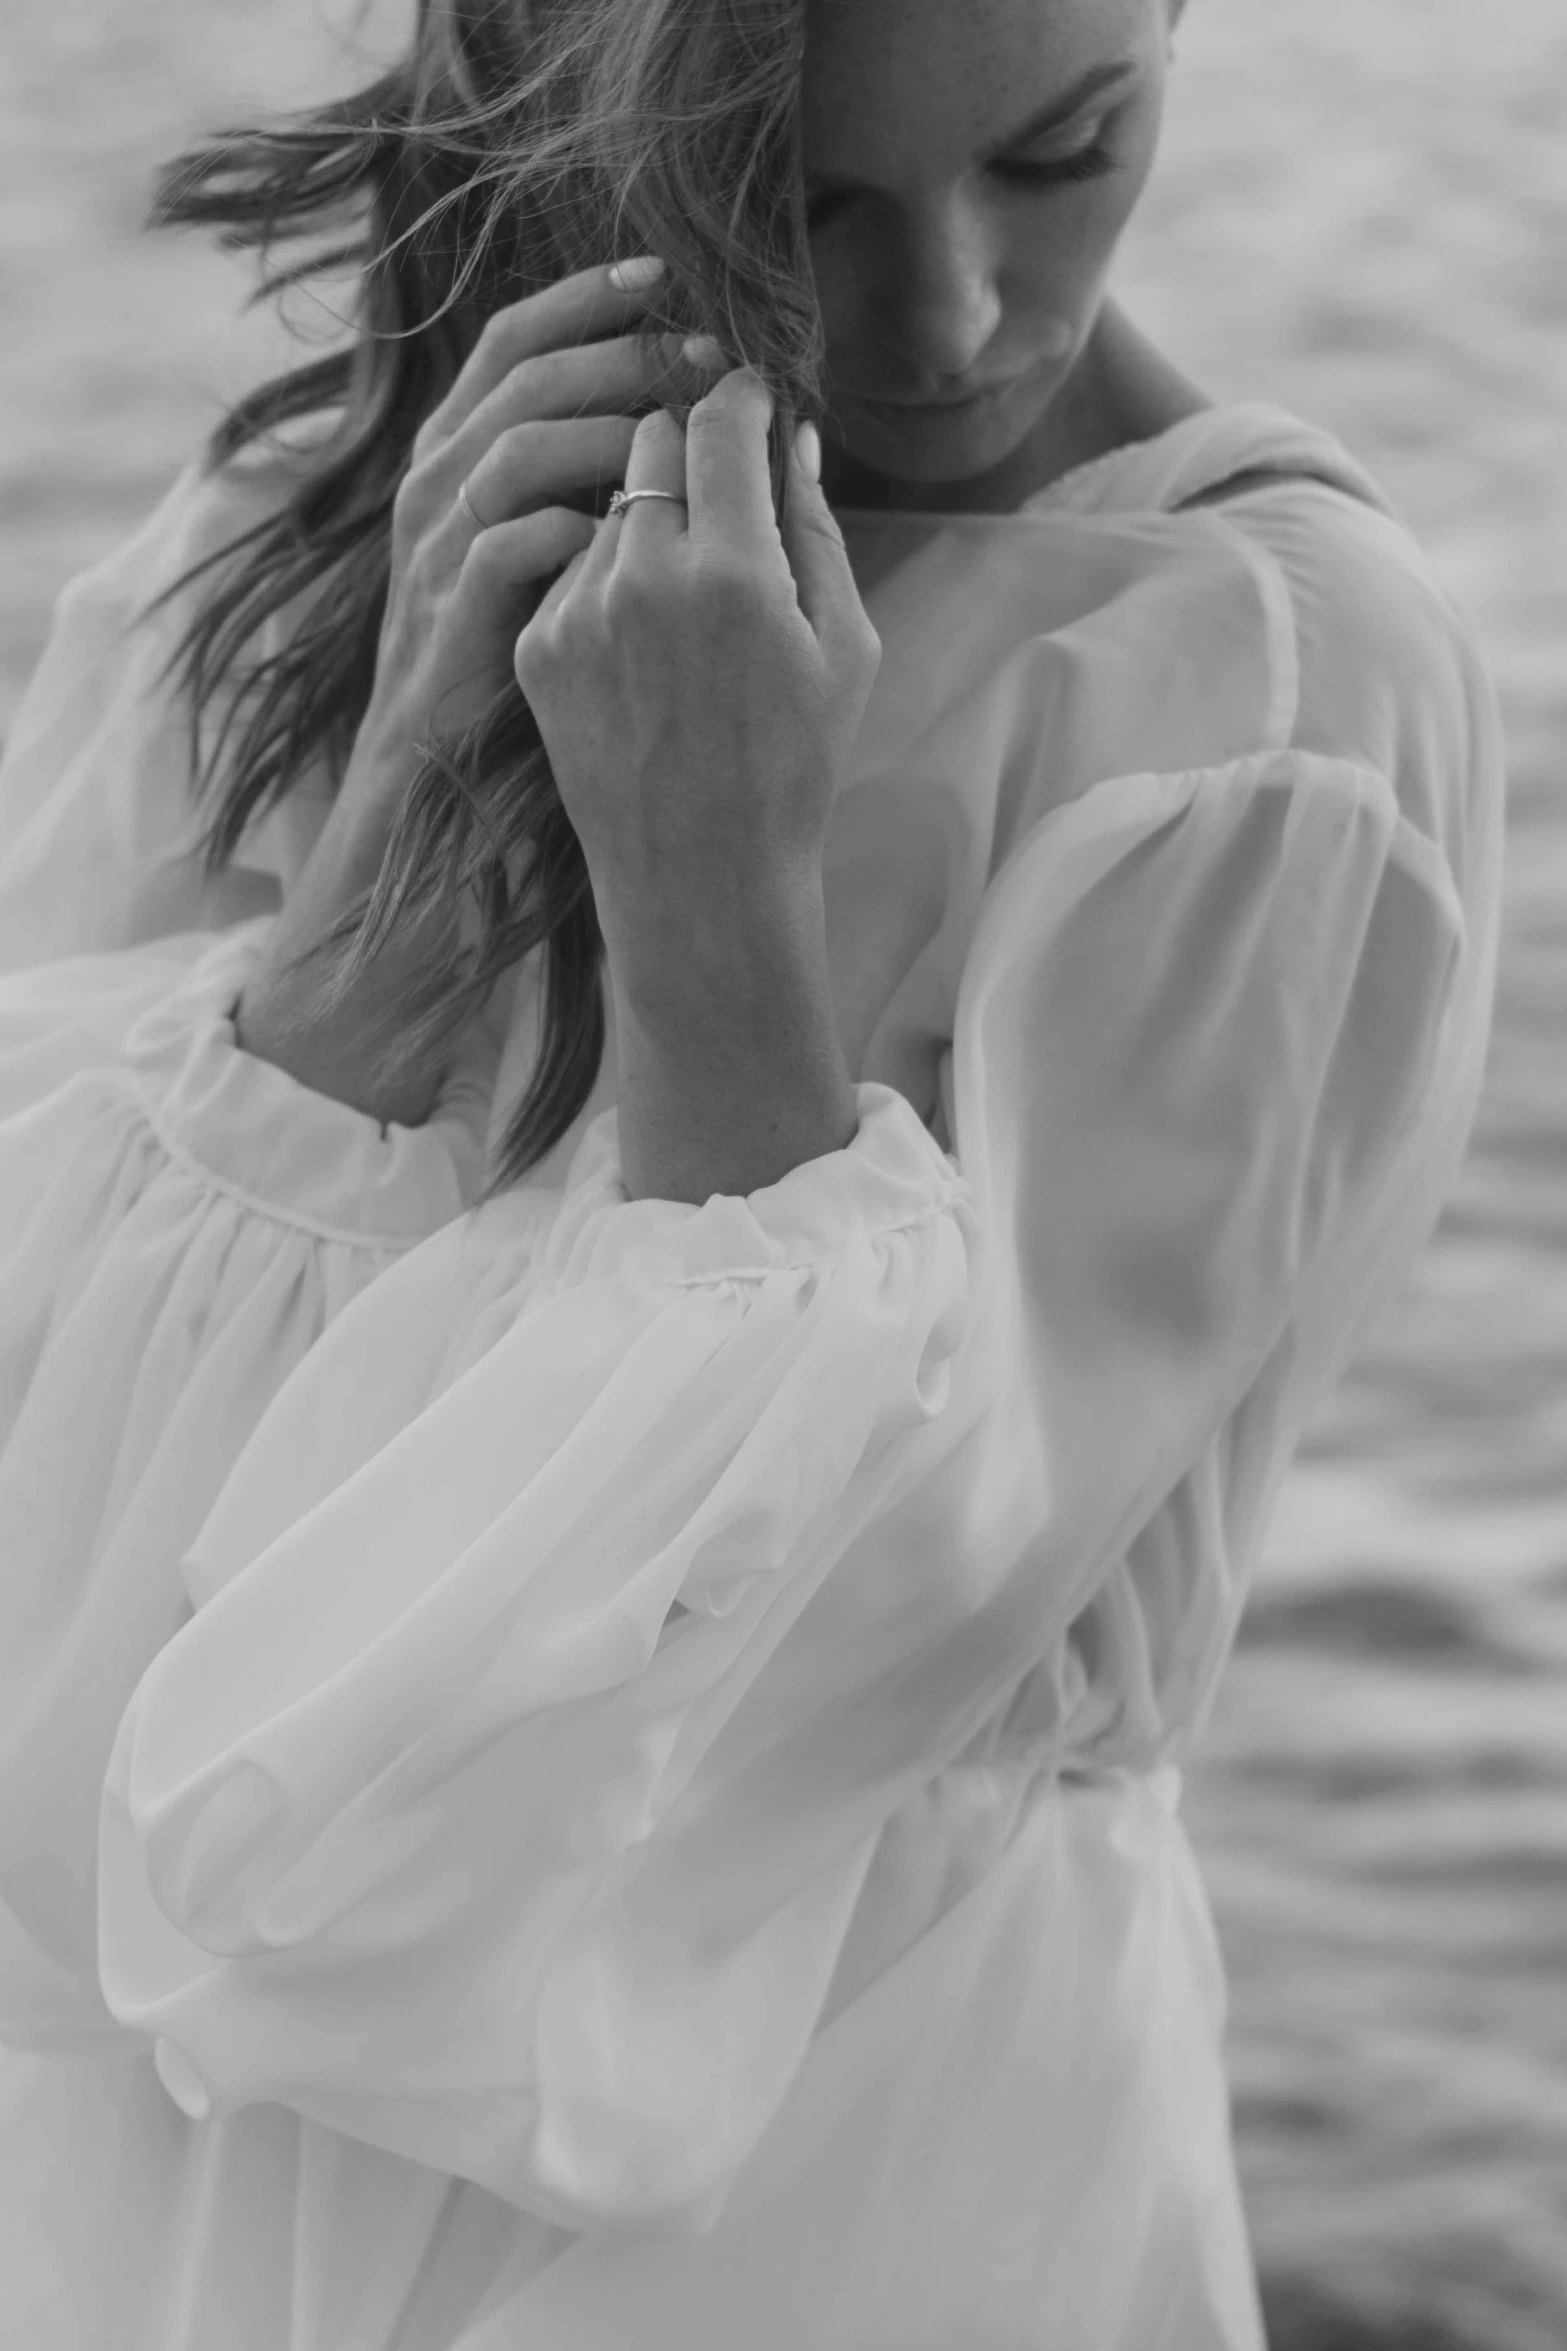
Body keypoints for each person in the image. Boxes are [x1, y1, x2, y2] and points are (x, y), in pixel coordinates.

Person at [0, 0, 1503, 2344]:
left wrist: (714, 924)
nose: (958, 315)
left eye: (1068, 147)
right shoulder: (313, 514)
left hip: (808, 2138)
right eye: (807, 202)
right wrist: (408, 801)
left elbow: (842, 1657)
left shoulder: (1255, 697)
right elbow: (39, 1448)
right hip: (162, 2124)